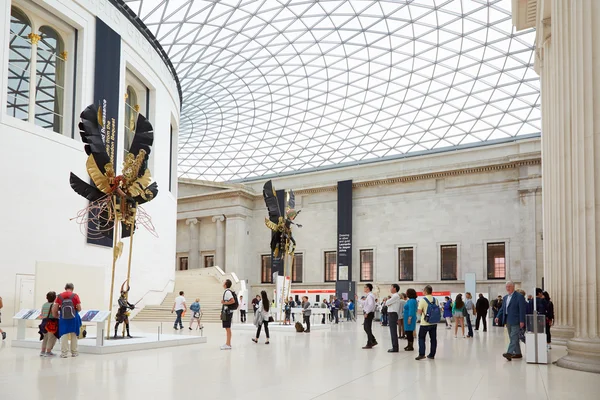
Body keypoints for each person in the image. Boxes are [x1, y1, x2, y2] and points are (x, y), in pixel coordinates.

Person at [496, 281, 527, 361]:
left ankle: (509, 353)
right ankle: (518, 353)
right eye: (506, 287)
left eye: (509, 286)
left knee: (513, 337)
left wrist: (522, 321)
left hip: (516, 320)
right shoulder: (505, 297)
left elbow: (522, 310)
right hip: (507, 320)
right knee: (512, 337)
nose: (507, 288)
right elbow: (503, 308)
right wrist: (497, 316)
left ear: (513, 287)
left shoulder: (519, 296)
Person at [53, 283, 82, 358]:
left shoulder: (59, 296)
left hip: (63, 318)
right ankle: (74, 352)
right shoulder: (75, 296)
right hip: (74, 317)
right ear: (72, 288)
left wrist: (56, 315)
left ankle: (64, 353)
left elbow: (55, 308)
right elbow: (79, 308)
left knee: (64, 335)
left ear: (65, 288)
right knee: (74, 334)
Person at [415, 285, 438, 360]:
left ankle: (422, 354)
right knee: (433, 339)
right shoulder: (435, 299)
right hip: (434, 322)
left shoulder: (423, 300)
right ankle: (432, 355)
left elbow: (419, 312)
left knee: (421, 338)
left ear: (425, 291)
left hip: (425, 323)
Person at [357, 283, 377, 349]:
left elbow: (371, 305)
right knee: (367, 328)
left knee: (367, 327)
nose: (364, 288)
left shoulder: (370, 296)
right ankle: (372, 340)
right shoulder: (369, 296)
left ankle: (370, 342)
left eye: (365, 287)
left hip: (369, 313)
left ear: (368, 288)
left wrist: (367, 313)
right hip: (369, 313)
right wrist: (358, 299)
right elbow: (365, 303)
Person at [39, 291, 58, 356]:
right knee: (51, 337)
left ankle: (42, 351)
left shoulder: (44, 305)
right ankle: (48, 351)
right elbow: (54, 315)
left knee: (45, 337)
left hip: (44, 322)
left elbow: (42, 314)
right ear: (55, 298)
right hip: (51, 323)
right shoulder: (54, 305)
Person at [385, 284, 401, 352]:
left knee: (393, 331)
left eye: (391, 287)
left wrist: (388, 302)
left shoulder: (395, 296)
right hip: (391, 314)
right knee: (392, 331)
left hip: (393, 314)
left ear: (395, 288)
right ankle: (394, 346)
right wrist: (389, 303)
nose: (390, 289)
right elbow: (388, 303)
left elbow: (386, 303)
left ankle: (395, 347)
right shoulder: (394, 296)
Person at [221, 279, 235, 350]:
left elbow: (232, 300)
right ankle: (227, 343)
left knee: (228, 328)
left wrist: (224, 303)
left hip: (227, 312)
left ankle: (228, 344)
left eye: (224, 282)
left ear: (226, 285)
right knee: (227, 328)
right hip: (226, 312)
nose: (223, 283)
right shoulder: (227, 292)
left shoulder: (227, 292)